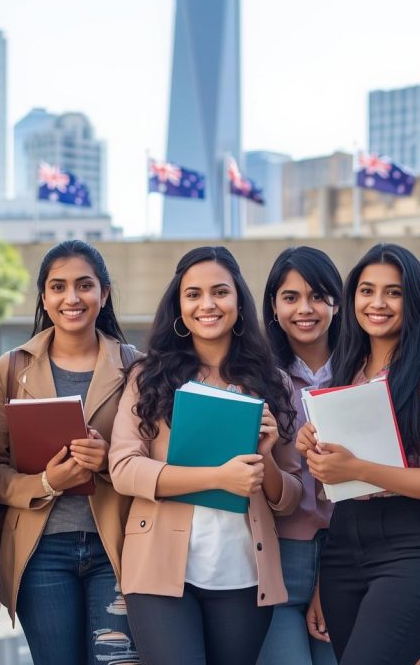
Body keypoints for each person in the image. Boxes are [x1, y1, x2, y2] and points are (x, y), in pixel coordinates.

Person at [109, 246, 302, 665]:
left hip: (246, 574)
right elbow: (124, 469)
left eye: (220, 292)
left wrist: (264, 459)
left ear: (239, 302)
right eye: (193, 294)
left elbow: (290, 497)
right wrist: (217, 478)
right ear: (179, 305)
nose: (207, 305)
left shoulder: (274, 382)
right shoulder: (149, 375)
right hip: (159, 569)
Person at [297, 243, 420, 664]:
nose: (377, 303)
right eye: (366, 290)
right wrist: (314, 449)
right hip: (343, 547)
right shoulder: (345, 372)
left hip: (412, 546)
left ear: (414, 301)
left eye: (393, 292)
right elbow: (338, 478)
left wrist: (359, 467)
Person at [0, 240, 139, 664]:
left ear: (103, 295)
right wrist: (47, 482)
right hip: (41, 551)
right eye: (58, 286)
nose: (72, 298)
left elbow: (155, 462)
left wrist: (108, 462)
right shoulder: (10, 369)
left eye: (84, 286)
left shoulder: (136, 367)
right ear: (44, 298)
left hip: (118, 549)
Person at [257, 246, 341, 665]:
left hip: (346, 554)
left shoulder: (361, 373)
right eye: (290, 297)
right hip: (276, 555)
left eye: (317, 296)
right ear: (273, 306)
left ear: (337, 303)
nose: (304, 309)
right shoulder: (255, 376)